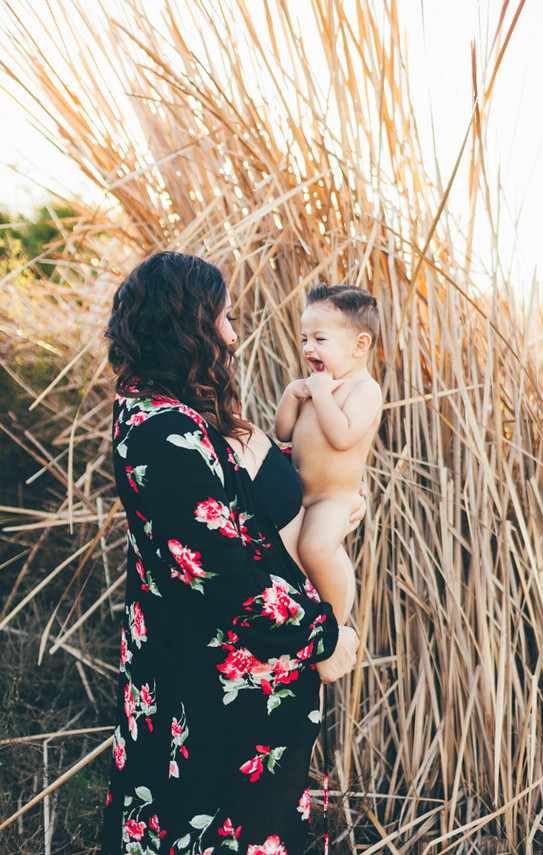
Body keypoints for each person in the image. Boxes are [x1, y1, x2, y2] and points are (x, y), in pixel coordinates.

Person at [100, 252, 359, 855]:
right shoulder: (162, 434)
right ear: (189, 325)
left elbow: (233, 514)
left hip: (217, 680)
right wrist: (325, 634)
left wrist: (330, 499)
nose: (235, 335)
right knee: (206, 827)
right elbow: (230, 580)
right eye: (226, 318)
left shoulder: (171, 413)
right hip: (208, 693)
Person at [274, 285, 382, 625]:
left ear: (359, 345)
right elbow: (283, 432)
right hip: (299, 492)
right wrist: (294, 393)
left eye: (320, 340)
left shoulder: (364, 390)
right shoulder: (317, 383)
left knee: (316, 549)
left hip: (334, 499)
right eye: (305, 338)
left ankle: (333, 622)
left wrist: (319, 393)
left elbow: (343, 437)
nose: (308, 348)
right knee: (286, 554)